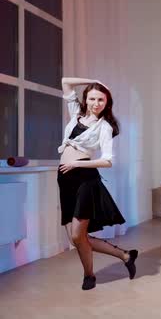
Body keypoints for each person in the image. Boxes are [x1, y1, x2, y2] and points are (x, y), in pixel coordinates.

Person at [58, 77, 138, 291]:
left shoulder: (105, 127)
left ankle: (89, 276)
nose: (96, 103)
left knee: (77, 235)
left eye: (101, 99)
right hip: (65, 178)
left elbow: (108, 160)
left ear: (107, 102)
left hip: (85, 179)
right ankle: (125, 255)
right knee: (77, 238)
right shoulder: (75, 114)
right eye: (92, 98)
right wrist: (93, 80)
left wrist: (77, 163)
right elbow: (66, 82)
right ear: (85, 100)